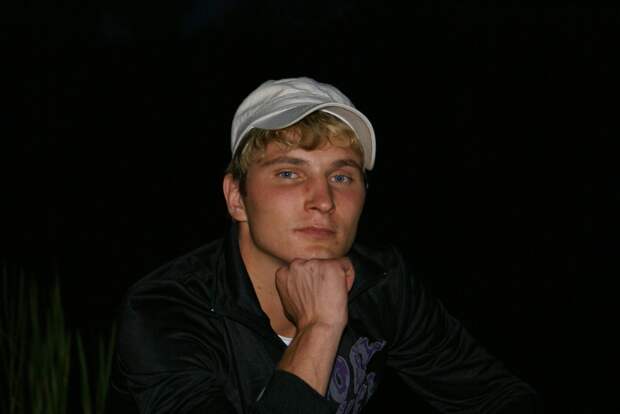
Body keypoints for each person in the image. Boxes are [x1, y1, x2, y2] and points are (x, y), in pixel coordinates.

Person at [107, 77, 541, 413]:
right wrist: (318, 327)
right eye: (289, 173)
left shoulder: (380, 282)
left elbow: (495, 396)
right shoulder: (165, 310)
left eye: (342, 176)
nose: (323, 200)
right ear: (237, 197)